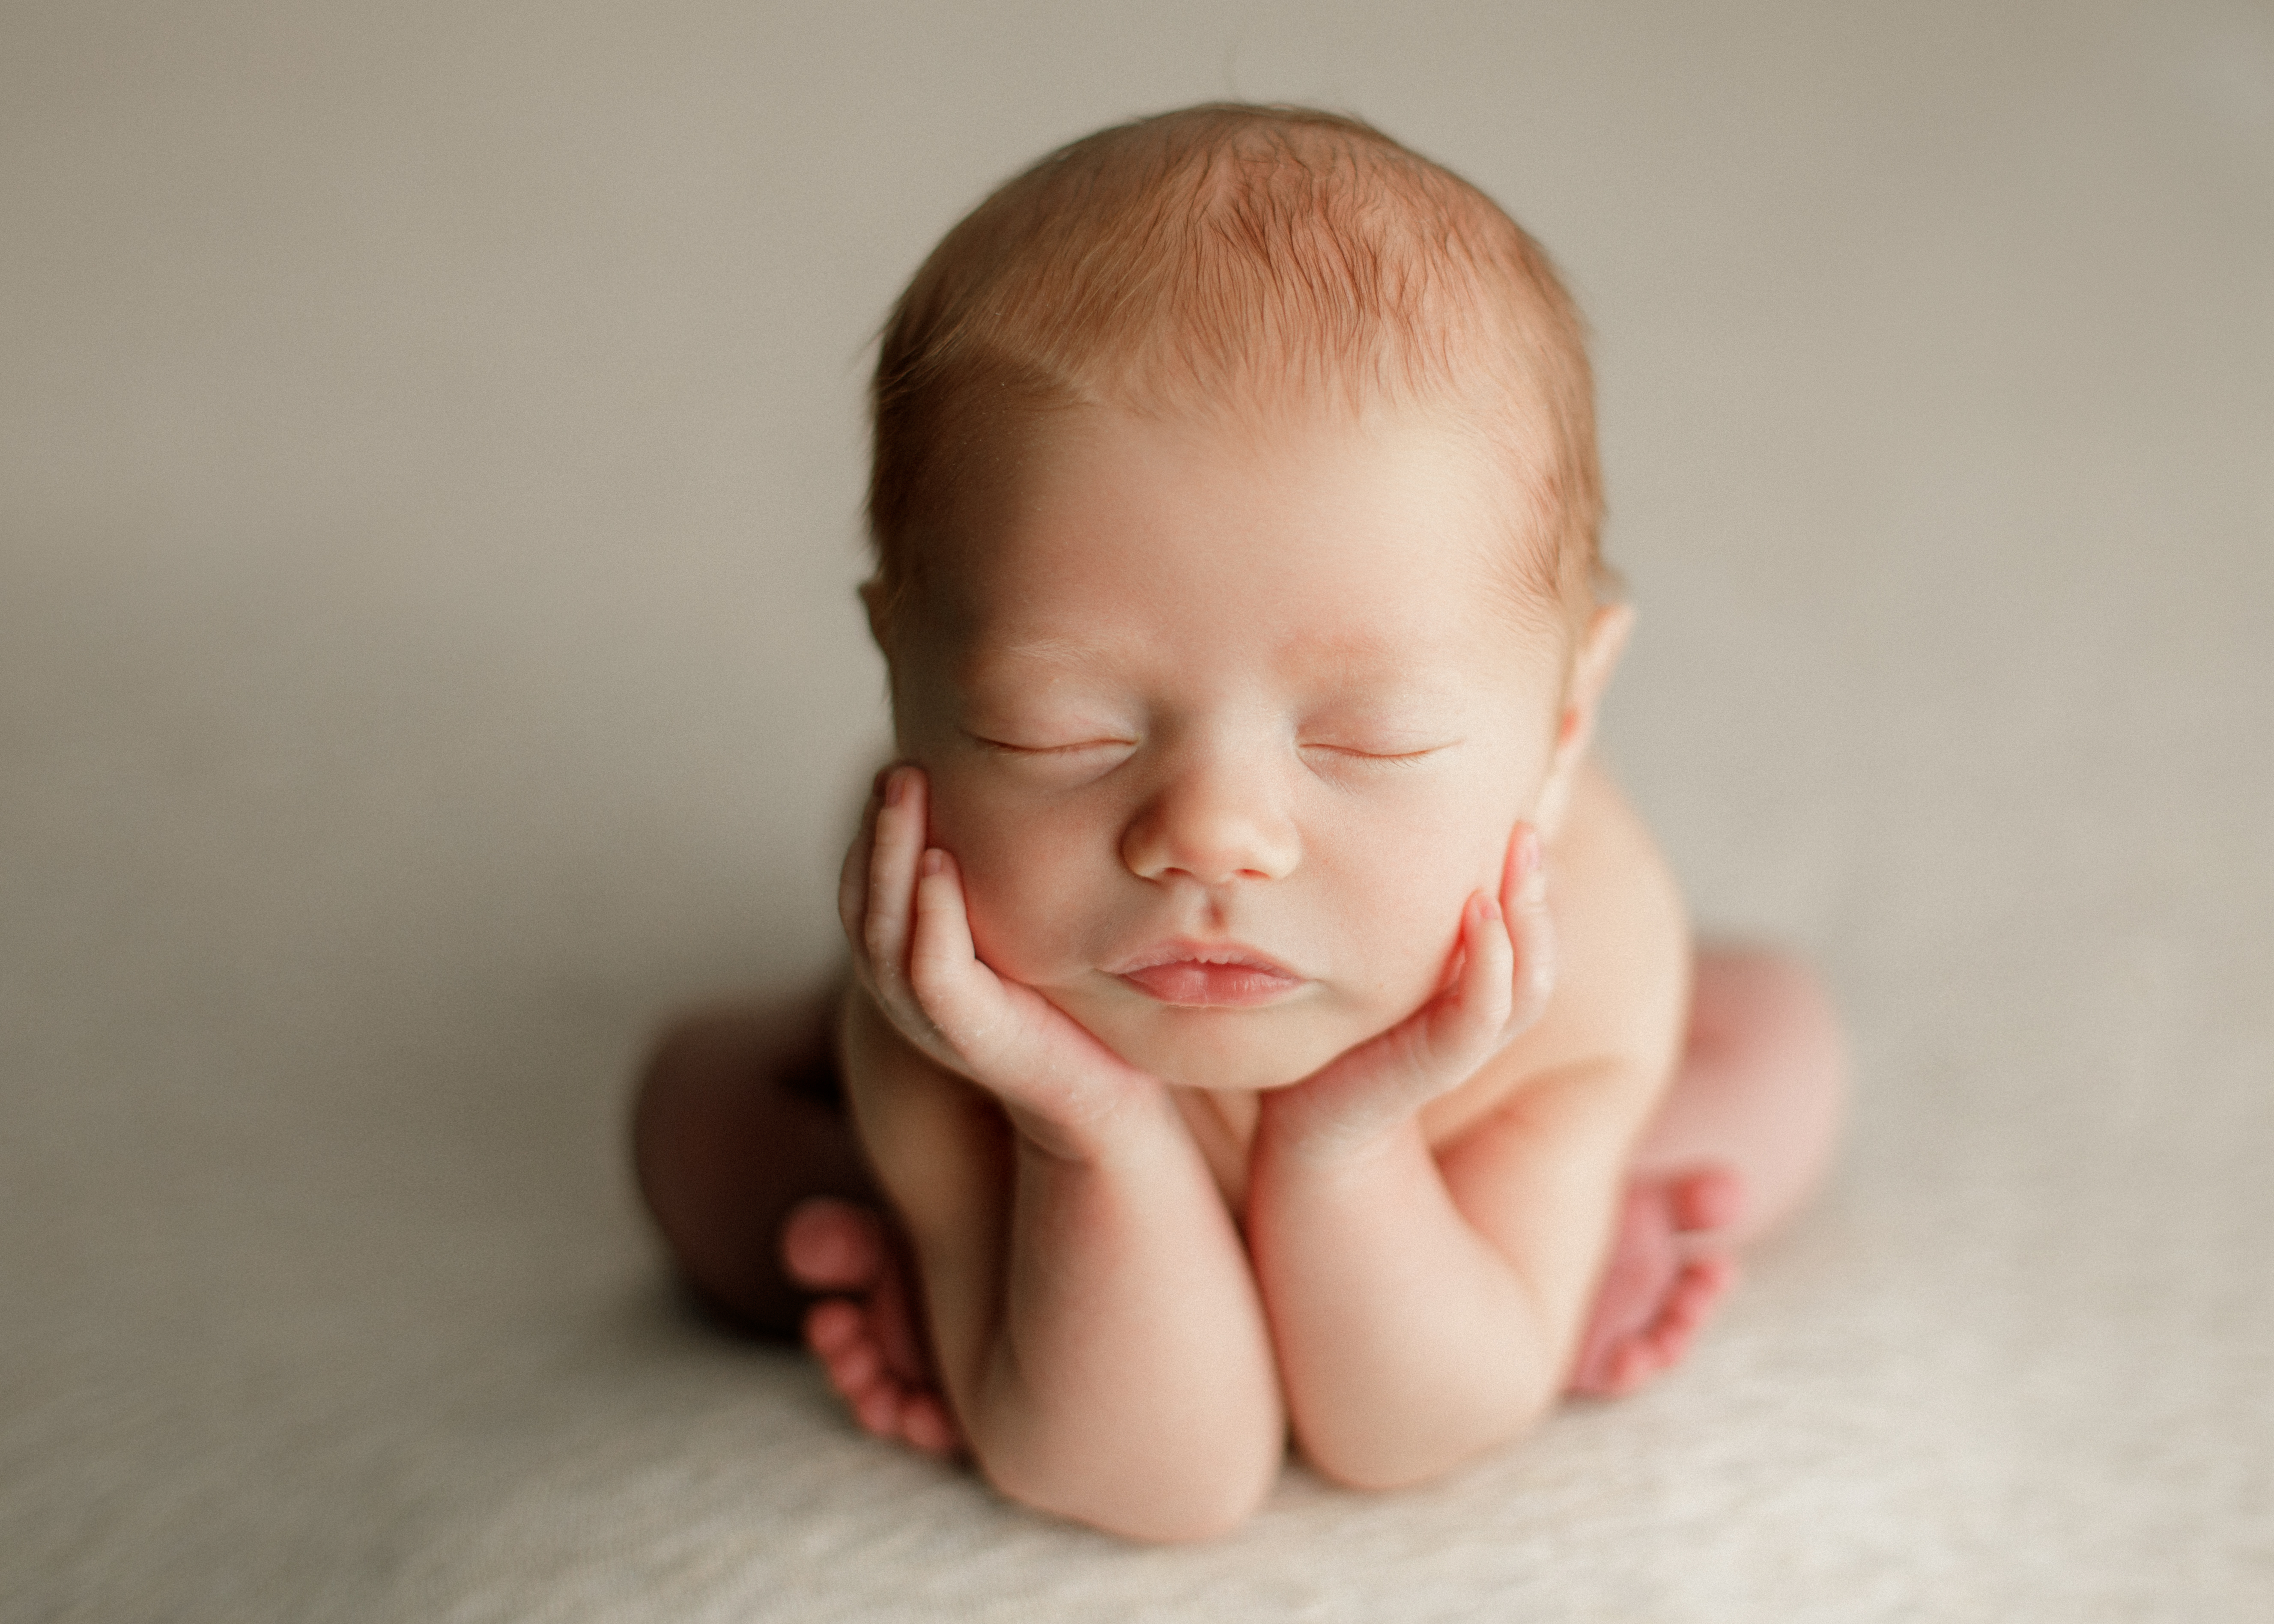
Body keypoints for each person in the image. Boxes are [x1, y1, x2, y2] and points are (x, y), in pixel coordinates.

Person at [632, 104, 1846, 1542]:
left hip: (1467, 1105)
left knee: (1779, 1043)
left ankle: (1569, 1223)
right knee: (696, 1130)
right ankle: (950, 1248)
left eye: (1366, 736)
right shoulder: (959, 1020)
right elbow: (1158, 1478)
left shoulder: (1582, 967)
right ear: (907, 682)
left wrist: (1352, 1134)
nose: (1212, 835)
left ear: (1565, 720)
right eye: (1059, 727)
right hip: (1032, 1063)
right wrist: (1081, 1123)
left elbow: (1405, 1434)